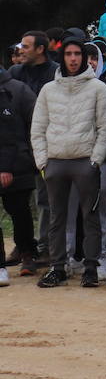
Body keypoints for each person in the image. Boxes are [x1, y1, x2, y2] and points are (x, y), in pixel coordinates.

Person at [32, 38, 106, 289]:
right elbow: (38, 127)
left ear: (85, 57)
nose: (74, 58)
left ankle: (91, 266)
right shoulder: (48, 90)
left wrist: (95, 160)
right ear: (62, 57)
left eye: (78, 54)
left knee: (89, 217)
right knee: (57, 217)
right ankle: (57, 267)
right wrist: (43, 161)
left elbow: (105, 127)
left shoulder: (98, 88)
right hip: (55, 161)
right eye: (69, 54)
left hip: (85, 162)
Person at [0, 67, 38, 282]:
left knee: (19, 211)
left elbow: (27, 127)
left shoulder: (19, 90)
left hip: (19, 162)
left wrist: (30, 156)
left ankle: (27, 252)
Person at [9, 30, 57, 96]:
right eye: (21, 47)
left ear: (40, 49)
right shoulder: (14, 71)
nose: (20, 51)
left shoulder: (57, 72)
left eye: (25, 47)